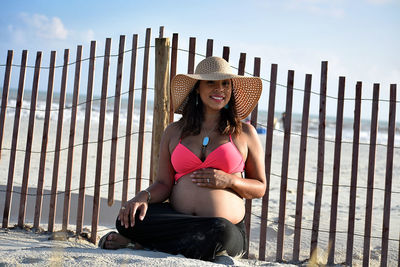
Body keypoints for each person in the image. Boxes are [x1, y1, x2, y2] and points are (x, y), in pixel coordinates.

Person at [99, 56, 266, 261]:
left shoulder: (245, 133)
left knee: (218, 232)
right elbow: (163, 183)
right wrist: (142, 197)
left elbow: (260, 187)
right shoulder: (174, 131)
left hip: (223, 226)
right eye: (211, 82)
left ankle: (144, 243)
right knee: (128, 218)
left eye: (225, 83)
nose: (220, 89)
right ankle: (165, 242)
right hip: (178, 217)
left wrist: (230, 180)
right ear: (197, 88)